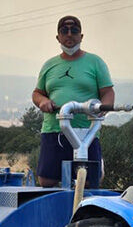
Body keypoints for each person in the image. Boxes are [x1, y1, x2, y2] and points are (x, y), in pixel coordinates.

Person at [31, 15, 114, 188]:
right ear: (58, 37)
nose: (69, 35)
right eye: (64, 31)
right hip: (54, 129)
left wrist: (102, 109)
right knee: (47, 180)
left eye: (74, 31)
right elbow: (37, 93)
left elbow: (107, 92)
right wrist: (43, 101)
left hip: (86, 131)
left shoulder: (95, 62)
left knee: (90, 181)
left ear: (81, 36)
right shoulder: (49, 65)